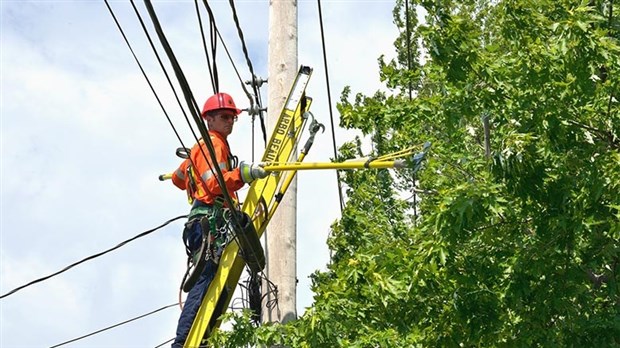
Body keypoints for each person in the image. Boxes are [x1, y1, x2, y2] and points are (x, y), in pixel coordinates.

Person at [169, 92, 268, 347]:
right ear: (209, 119)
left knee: (211, 280)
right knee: (205, 280)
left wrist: (189, 171)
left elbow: (178, 180)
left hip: (200, 222)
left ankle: (197, 337)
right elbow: (215, 183)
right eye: (224, 117)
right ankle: (183, 342)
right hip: (208, 221)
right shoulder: (214, 143)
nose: (230, 121)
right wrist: (243, 174)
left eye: (232, 117)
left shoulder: (198, 147)